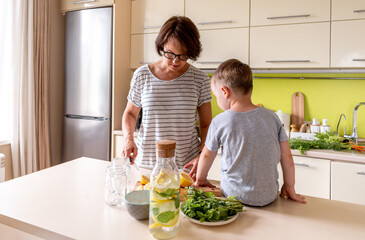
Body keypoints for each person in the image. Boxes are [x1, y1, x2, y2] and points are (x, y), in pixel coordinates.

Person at [194, 59, 306, 206]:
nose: (217, 100)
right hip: (269, 197)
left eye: (216, 97)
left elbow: (207, 154)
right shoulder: (272, 117)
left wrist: (200, 180)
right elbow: (287, 157)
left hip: (233, 197)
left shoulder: (220, 121)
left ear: (224, 91)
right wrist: (289, 187)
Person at [122, 16, 212, 172]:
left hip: (186, 166)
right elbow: (130, 113)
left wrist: (201, 155)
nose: (176, 61)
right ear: (162, 45)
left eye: (183, 55)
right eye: (170, 54)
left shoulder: (200, 79)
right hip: (147, 164)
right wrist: (128, 139)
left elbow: (206, 124)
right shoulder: (142, 75)